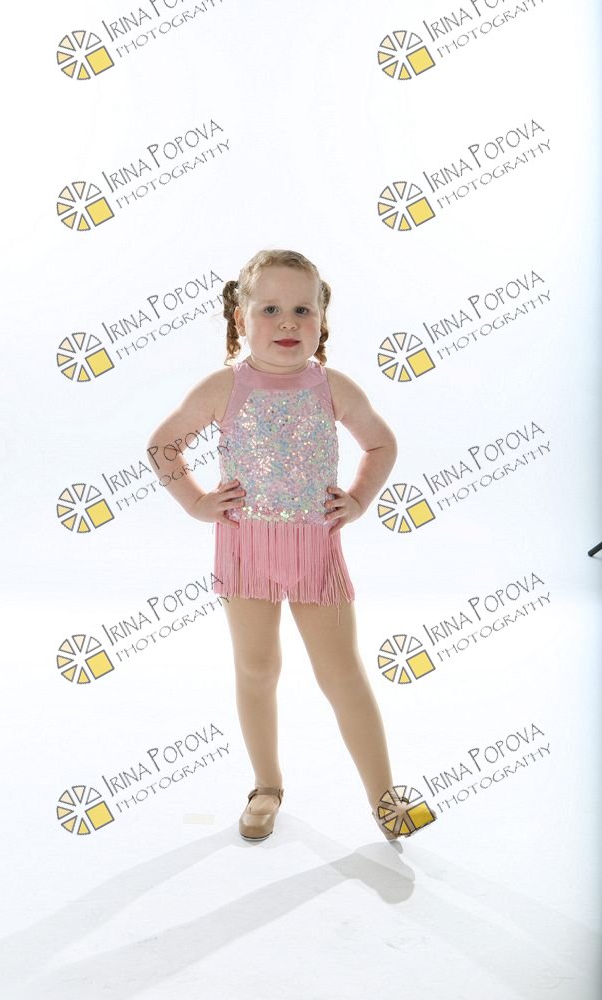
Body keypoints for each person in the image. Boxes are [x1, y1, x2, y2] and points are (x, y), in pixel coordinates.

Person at [146, 248, 436, 844]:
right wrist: (197, 502)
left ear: (323, 321)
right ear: (240, 318)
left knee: (342, 673)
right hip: (246, 551)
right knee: (257, 668)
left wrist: (358, 499)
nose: (287, 322)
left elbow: (381, 445)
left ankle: (386, 798)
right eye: (270, 309)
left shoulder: (333, 388)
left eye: (303, 310)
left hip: (314, 553)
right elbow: (163, 446)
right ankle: (266, 785)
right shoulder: (224, 387)